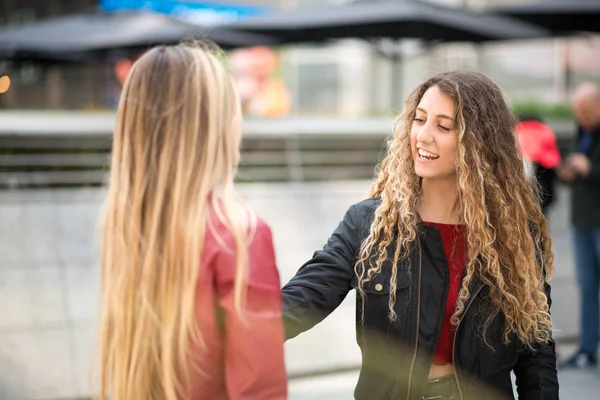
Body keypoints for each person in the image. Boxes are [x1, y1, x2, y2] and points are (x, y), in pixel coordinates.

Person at [282, 71, 558, 400]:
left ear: (479, 142)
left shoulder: (513, 236)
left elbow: (535, 351)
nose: (423, 136)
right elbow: (308, 294)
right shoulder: (369, 223)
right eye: (419, 119)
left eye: (443, 126)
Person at [97, 43, 287, 400]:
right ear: (211, 130)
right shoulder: (238, 235)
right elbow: (260, 387)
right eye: (232, 111)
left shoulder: (128, 228)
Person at [558, 82, 600, 369]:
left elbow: (591, 168)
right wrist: (568, 172)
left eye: (586, 111)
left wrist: (589, 168)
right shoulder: (582, 130)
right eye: (578, 113)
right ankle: (587, 349)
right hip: (581, 221)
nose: (581, 117)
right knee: (586, 286)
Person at [514, 114, 562, 216]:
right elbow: (554, 162)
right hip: (544, 189)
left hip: (520, 191)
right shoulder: (544, 130)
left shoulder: (517, 131)